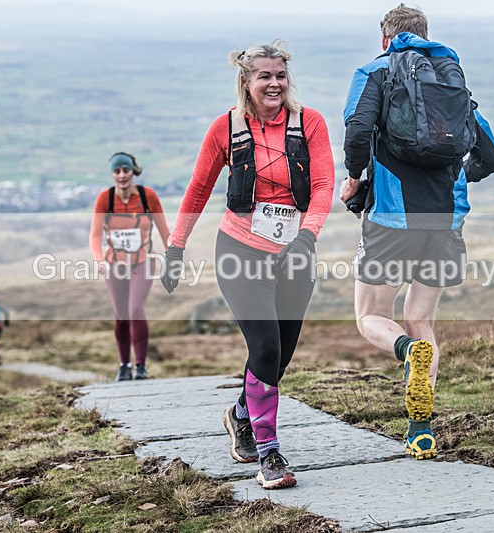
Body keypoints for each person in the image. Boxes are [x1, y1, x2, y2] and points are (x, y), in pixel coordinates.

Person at [160, 40, 335, 489]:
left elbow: (323, 185)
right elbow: (198, 189)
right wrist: (176, 247)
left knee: (281, 354)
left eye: (280, 75)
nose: (274, 84)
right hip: (240, 249)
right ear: (246, 81)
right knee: (266, 346)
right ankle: (269, 453)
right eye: (264, 76)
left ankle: (241, 414)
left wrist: (307, 236)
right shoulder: (225, 127)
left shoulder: (310, 123)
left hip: (295, 251)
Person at [340, 4, 494, 460]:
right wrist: (457, 176)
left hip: (392, 219)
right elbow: (491, 156)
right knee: (422, 319)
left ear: (385, 39)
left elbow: (357, 130)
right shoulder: (452, 83)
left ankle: (406, 350)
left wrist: (353, 178)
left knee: (370, 316)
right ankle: (421, 431)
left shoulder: (375, 72)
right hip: (446, 221)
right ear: (425, 34)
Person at [90, 151, 171, 381]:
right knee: (121, 314)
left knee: (135, 308)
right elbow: (95, 235)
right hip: (115, 264)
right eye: (117, 171)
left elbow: (164, 230)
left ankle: (141, 365)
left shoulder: (147, 196)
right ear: (112, 174)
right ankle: (124, 365)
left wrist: (173, 256)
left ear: (133, 171)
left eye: (126, 170)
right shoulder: (105, 199)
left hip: (143, 261)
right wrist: (100, 260)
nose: (122, 175)